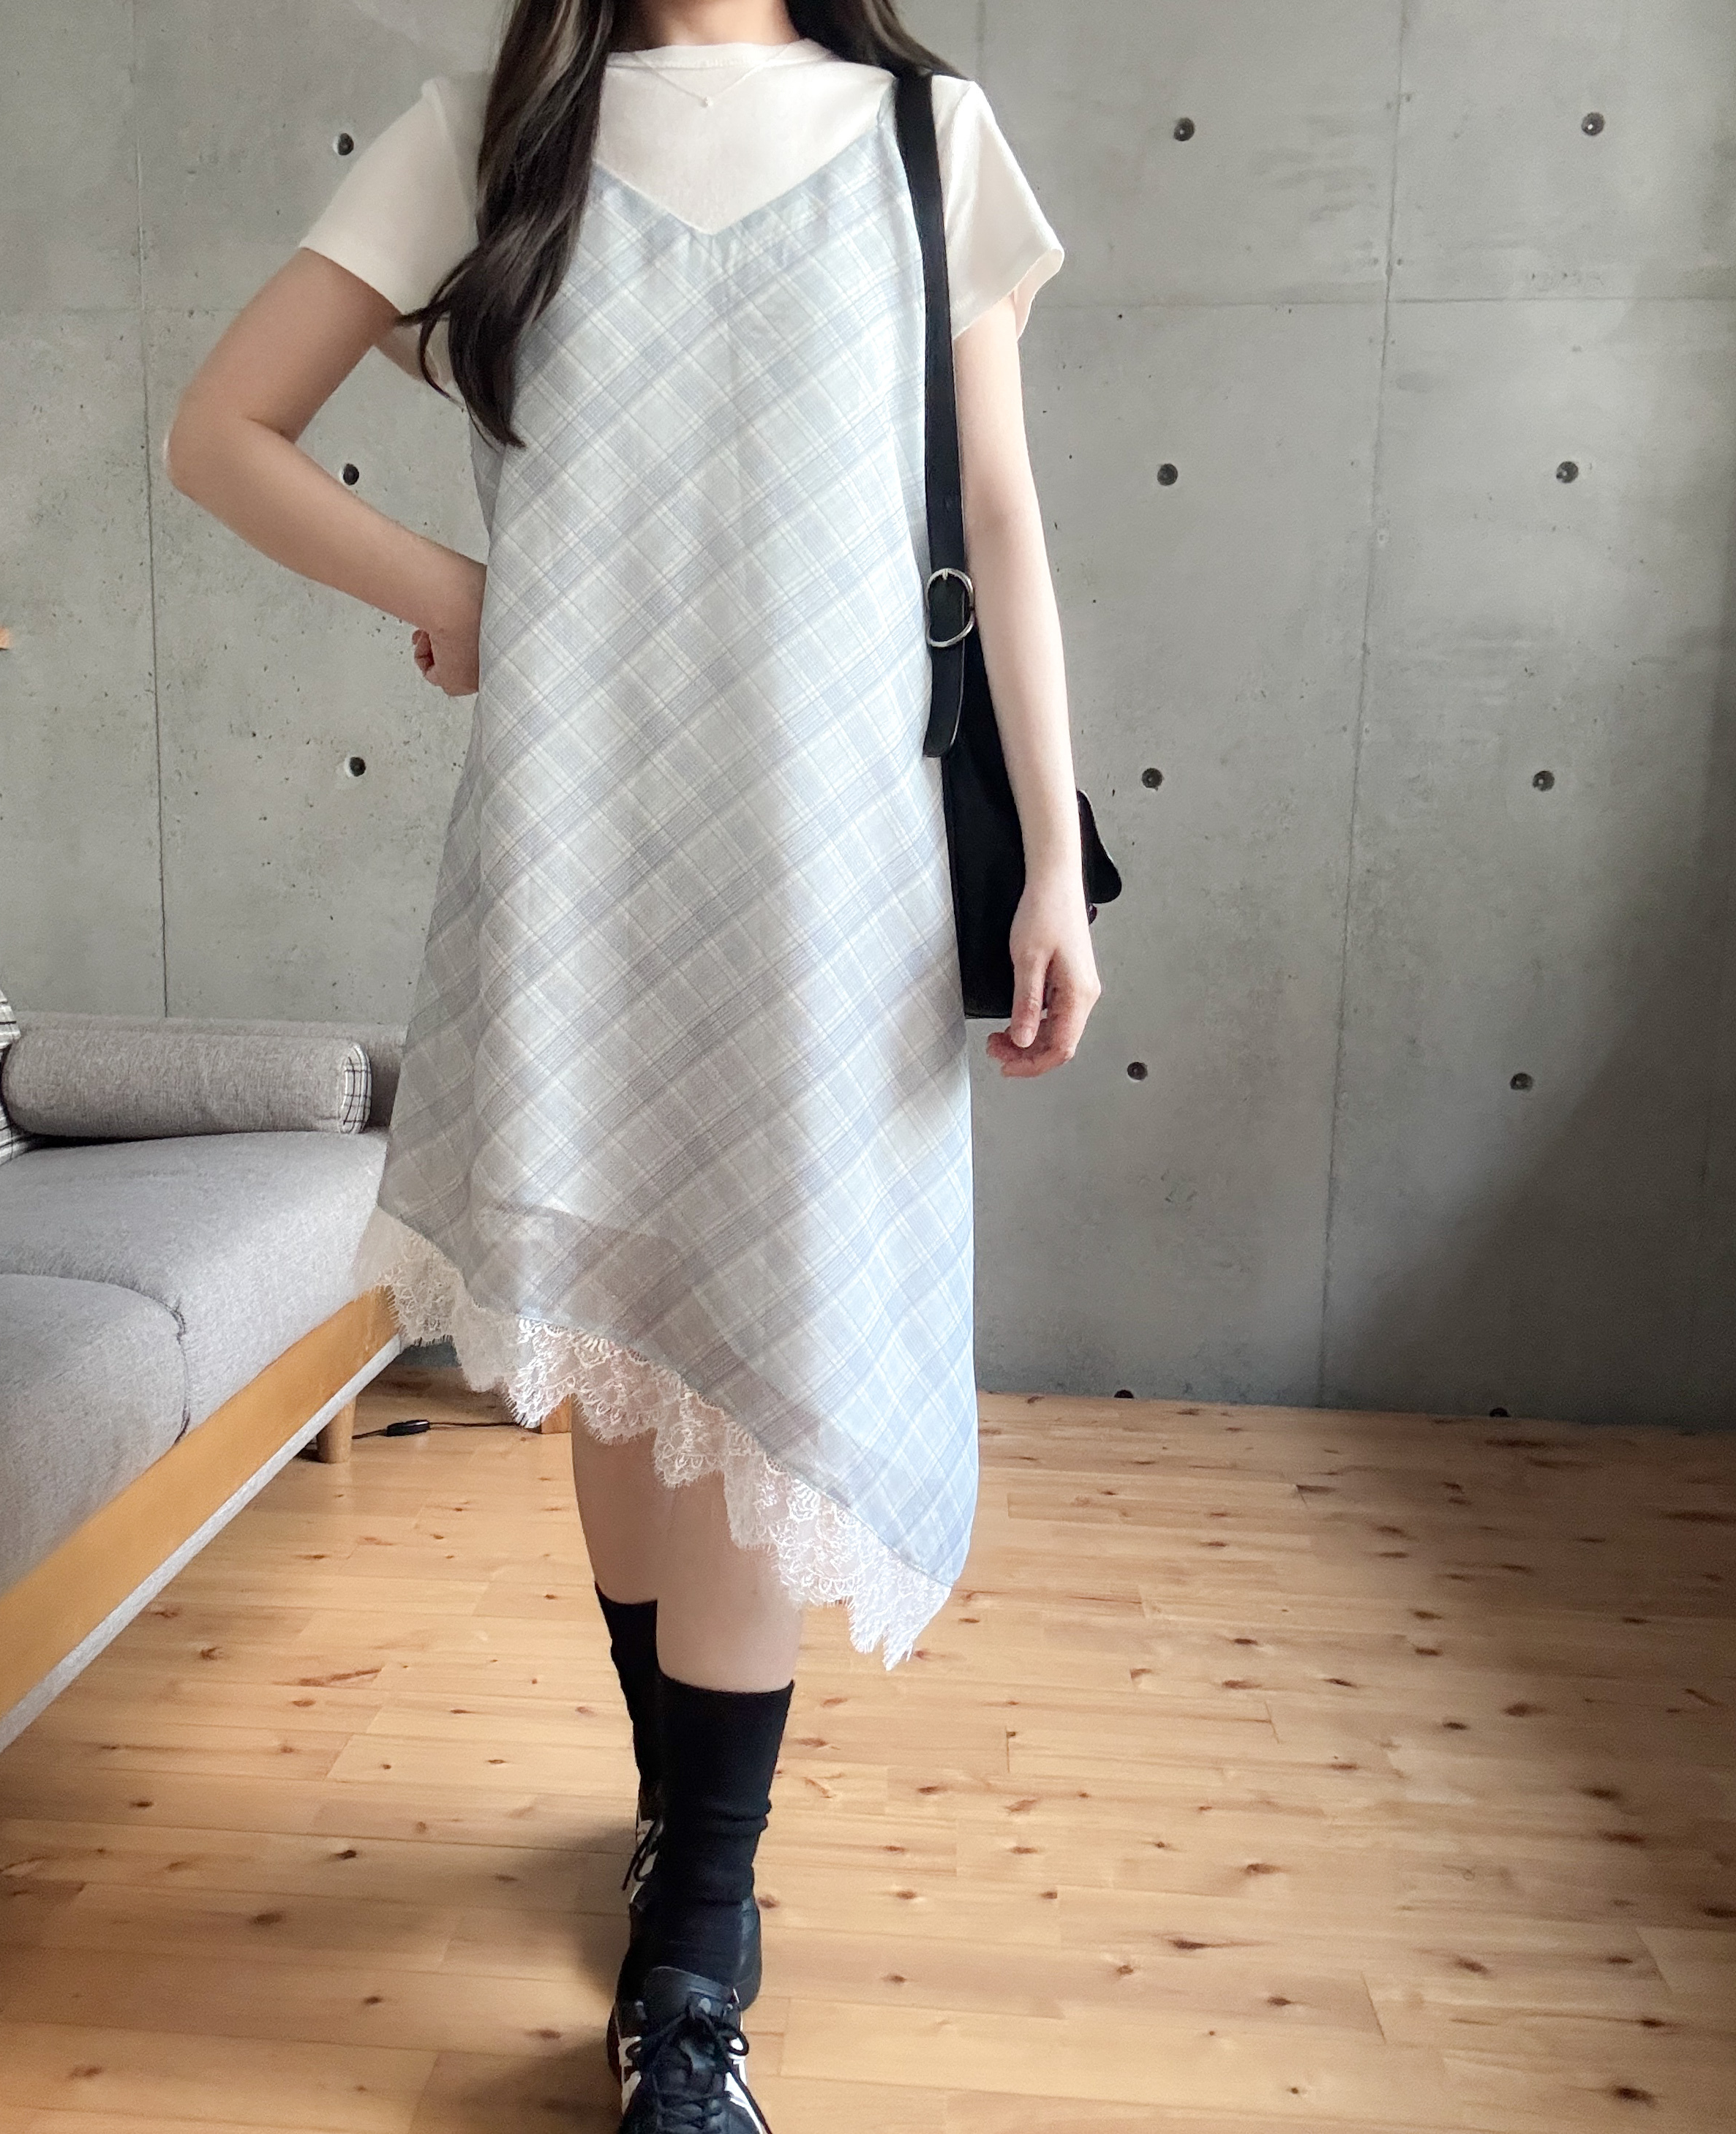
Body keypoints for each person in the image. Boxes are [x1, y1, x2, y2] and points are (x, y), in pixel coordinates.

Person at [167, 1, 1097, 2124]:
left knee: (768, 1334)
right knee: (618, 1329)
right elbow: (226, 429)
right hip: (580, 843)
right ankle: (685, 1818)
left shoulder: (926, 138)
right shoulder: (490, 137)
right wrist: (466, 592)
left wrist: (1053, 858)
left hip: (841, 859)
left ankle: (697, 1944)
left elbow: (1002, 515)